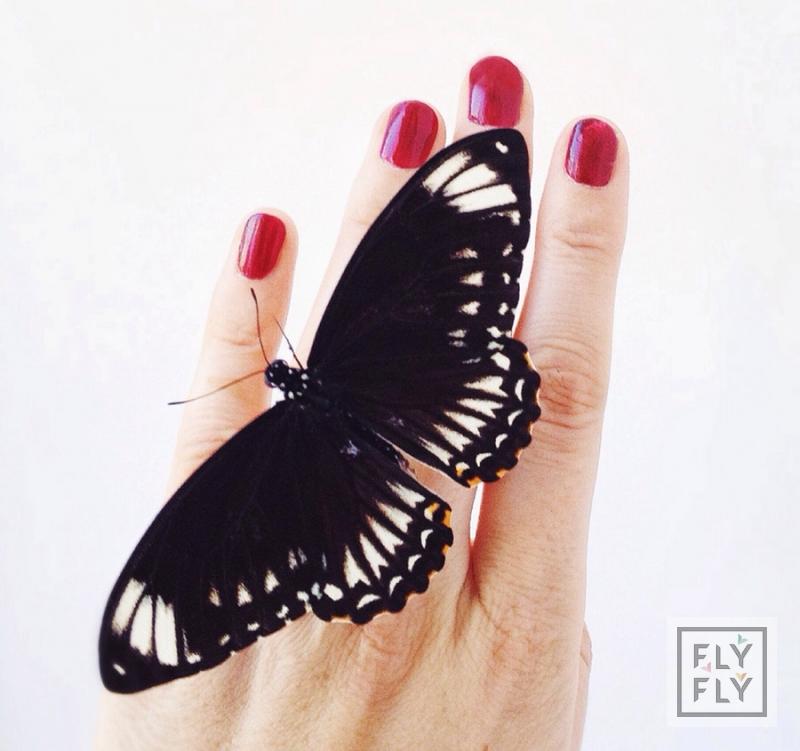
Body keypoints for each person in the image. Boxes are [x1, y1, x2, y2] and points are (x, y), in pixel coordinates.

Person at [96, 55, 629, 750]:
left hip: (365, 523)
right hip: (424, 434)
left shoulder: (260, 458)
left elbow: (478, 189)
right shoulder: (340, 345)